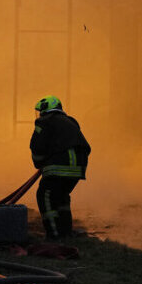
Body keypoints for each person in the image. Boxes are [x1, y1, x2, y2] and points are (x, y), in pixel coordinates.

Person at [29, 95, 90, 240]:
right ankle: (65, 232)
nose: (40, 114)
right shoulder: (71, 122)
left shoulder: (44, 121)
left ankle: (54, 234)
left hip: (59, 166)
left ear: (47, 109)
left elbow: (37, 147)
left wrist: (40, 163)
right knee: (61, 197)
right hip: (78, 167)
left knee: (45, 195)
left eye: (41, 110)